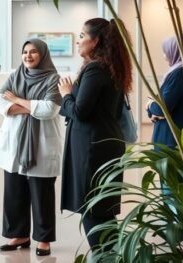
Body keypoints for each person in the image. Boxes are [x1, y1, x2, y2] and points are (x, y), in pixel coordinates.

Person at [58, 18, 132, 251]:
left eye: (82, 35)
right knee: (102, 209)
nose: (78, 40)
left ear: (96, 41)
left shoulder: (95, 69)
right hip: (102, 144)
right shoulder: (110, 67)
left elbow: (80, 111)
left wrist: (66, 94)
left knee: (93, 208)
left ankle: (105, 256)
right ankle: (110, 255)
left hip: (93, 148)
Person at [0, 39, 62, 257]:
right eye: (25, 52)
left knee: (41, 193)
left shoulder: (53, 79)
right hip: (14, 144)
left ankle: (43, 239)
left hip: (41, 143)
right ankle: (19, 234)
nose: (28, 56)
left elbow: (50, 109)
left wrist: (17, 100)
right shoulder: (16, 75)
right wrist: (29, 105)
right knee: (14, 191)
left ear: (42, 54)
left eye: (33, 52)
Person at [146, 34, 183, 150]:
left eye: (166, 51)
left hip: (173, 141)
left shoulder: (180, 73)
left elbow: (162, 108)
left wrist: (150, 105)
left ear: (177, 51)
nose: (165, 56)